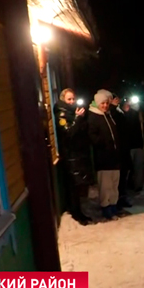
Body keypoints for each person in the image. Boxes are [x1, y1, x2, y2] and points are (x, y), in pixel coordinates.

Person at [54, 88, 93, 226]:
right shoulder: (62, 113)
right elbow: (68, 133)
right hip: (70, 155)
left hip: (78, 153)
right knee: (73, 186)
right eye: (69, 99)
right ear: (63, 99)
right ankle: (76, 213)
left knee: (78, 185)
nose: (72, 101)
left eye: (73, 99)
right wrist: (77, 119)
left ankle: (79, 212)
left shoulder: (73, 112)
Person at [88, 90, 122, 220]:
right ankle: (105, 207)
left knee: (114, 184)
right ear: (97, 103)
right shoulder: (94, 117)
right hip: (104, 158)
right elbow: (92, 136)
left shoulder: (108, 116)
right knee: (105, 185)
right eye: (102, 103)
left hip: (114, 157)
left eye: (106, 103)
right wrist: (103, 143)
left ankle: (113, 205)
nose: (105, 105)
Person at [110, 93, 133, 212]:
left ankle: (122, 197)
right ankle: (117, 200)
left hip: (124, 147)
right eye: (114, 98)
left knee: (124, 174)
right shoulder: (110, 111)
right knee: (118, 177)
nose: (117, 100)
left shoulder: (120, 111)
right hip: (118, 148)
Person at [122, 97, 144, 190]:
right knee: (127, 168)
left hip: (138, 144)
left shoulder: (138, 113)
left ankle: (138, 186)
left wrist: (140, 110)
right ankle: (126, 186)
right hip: (127, 146)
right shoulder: (122, 113)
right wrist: (126, 111)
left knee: (138, 167)